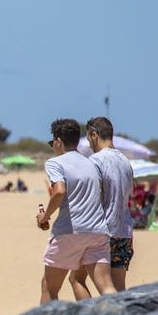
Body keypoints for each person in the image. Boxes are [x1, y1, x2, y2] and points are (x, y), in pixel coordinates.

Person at [36, 118, 115, 304]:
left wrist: (44, 217)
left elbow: (59, 191)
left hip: (69, 231)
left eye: (52, 143)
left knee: (49, 287)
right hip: (97, 230)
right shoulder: (91, 163)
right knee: (106, 287)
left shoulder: (55, 163)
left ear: (58, 141)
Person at [69, 116, 134, 296]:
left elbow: (91, 197)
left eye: (89, 138)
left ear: (94, 134)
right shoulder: (126, 162)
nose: (89, 143)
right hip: (124, 231)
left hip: (101, 231)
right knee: (118, 288)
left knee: (77, 279)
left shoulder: (95, 161)